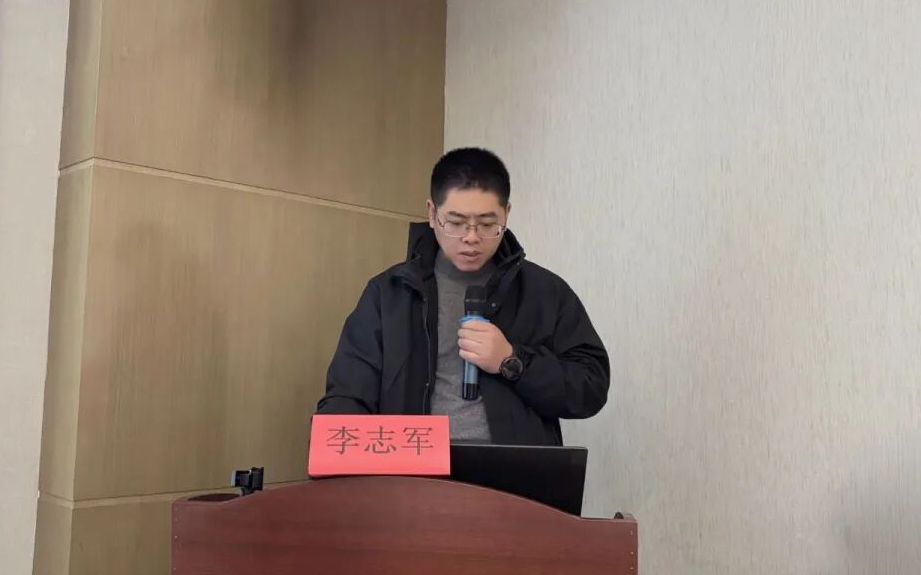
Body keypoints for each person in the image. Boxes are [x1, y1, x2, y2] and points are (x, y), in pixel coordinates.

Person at [317, 148, 609, 446]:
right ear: (432, 214)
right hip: (414, 466)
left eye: (487, 224)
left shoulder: (544, 292)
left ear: (507, 214)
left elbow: (591, 387)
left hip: (514, 470)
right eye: (456, 223)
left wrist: (512, 361)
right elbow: (347, 395)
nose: (471, 237)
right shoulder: (389, 294)